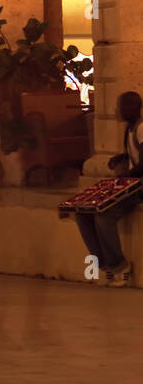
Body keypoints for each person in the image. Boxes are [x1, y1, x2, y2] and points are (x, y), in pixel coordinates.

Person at [78, 90, 143, 286]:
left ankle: (120, 265)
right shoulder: (130, 129)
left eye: (123, 106)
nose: (119, 110)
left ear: (135, 108)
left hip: (138, 187)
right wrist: (121, 157)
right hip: (132, 184)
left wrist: (128, 176)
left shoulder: (141, 128)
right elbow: (135, 156)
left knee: (103, 215)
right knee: (83, 213)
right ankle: (106, 265)